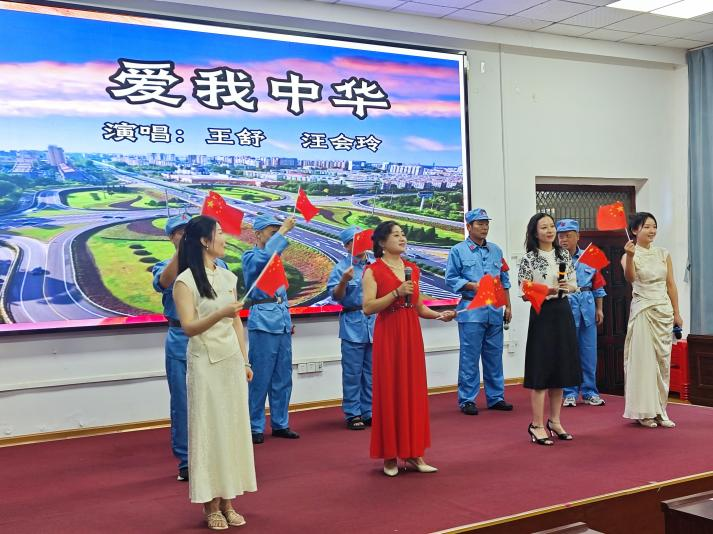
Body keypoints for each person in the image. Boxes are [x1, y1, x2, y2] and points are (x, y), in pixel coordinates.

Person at [172, 216, 256, 531]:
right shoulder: (185, 282)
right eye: (219, 233)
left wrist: (245, 361)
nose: (225, 237)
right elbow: (189, 327)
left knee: (231, 430)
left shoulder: (228, 277)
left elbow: (236, 324)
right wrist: (220, 312)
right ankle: (210, 504)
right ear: (204, 241)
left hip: (231, 361)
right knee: (210, 431)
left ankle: (229, 500)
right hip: (205, 362)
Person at [362, 221, 456, 476]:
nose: (402, 238)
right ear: (382, 242)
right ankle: (390, 456)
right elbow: (368, 307)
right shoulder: (373, 270)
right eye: (396, 235)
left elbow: (418, 307)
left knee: (412, 392)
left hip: (411, 333)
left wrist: (439, 315)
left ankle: (414, 453)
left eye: (403, 234)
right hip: (388, 334)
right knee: (390, 391)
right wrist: (395, 293)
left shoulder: (412, 269)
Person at [152, 213, 227, 482]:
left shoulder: (219, 265)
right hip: (180, 338)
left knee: (216, 399)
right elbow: (163, 282)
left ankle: (216, 455)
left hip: (213, 338)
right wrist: (183, 252)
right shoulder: (166, 266)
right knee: (183, 403)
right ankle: (187, 460)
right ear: (171, 238)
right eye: (179, 233)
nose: (185, 236)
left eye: (189, 232)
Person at [518, 213, 580, 446]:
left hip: (563, 312)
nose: (550, 230)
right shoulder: (529, 258)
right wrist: (547, 290)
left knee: (560, 369)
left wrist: (566, 287)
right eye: (544, 227)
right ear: (535, 232)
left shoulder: (563, 254)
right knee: (541, 370)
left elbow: (574, 284)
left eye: (552, 226)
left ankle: (555, 421)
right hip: (542, 314)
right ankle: (536, 424)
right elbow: (525, 292)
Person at [445, 208, 513, 416]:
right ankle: (467, 399)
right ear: (468, 226)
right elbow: (450, 279)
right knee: (470, 358)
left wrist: (508, 306)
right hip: (471, 310)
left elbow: (504, 280)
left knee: (494, 356)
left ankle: (496, 397)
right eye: (480, 224)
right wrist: (471, 285)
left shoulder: (496, 251)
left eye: (486, 224)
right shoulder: (458, 250)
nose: (484, 228)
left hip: (494, 310)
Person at [621, 212, 683, 429]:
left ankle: (661, 410)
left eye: (654, 226)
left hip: (663, 311)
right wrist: (630, 256)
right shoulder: (629, 254)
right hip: (643, 310)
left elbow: (671, 284)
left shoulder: (663, 253)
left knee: (662, 363)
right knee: (643, 362)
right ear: (635, 230)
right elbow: (630, 278)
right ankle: (644, 411)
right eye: (646, 226)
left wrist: (676, 312)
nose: (652, 230)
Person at [242, 214, 299, 444]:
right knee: (260, 378)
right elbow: (264, 258)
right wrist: (283, 231)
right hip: (263, 321)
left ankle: (280, 423)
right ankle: (254, 426)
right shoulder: (251, 256)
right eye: (271, 231)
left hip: (281, 319)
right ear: (257, 234)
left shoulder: (275, 258)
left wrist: (286, 317)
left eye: (277, 230)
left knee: (283, 377)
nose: (276, 233)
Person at [327, 226, 376, 430]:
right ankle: (353, 413)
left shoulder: (376, 265)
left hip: (374, 323)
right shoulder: (342, 268)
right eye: (354, 241)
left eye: (363, 239)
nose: (361, 244)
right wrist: (343, 282)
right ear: (347, 246)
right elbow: (336, 297)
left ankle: (369, 411)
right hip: (352, 324)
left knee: (371, 373)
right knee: (352, 373)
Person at [556, 219, 607, 408]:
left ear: (578, 236)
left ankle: (590, 392)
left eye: (568, 236)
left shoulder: (589, 256)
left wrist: (600, 309)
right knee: (567, 352)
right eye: (561, 236)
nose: (564, 239)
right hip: (565, 307)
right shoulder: (554, 259)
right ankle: (569, 393)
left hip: (587, 307)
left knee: (589, 352)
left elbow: (598, 285)